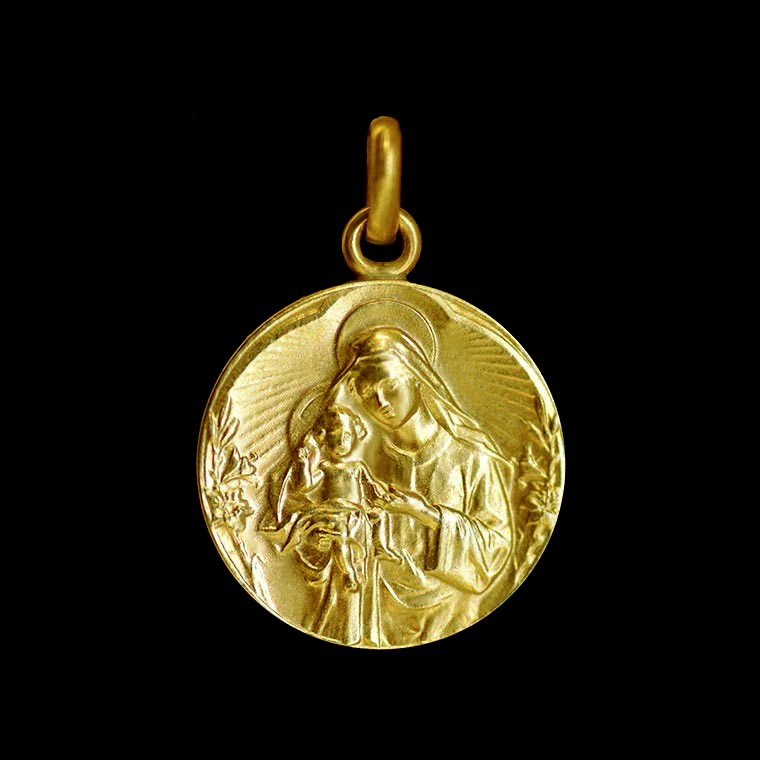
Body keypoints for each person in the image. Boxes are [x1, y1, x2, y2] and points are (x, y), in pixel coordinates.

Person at [276, 327, 513, 647]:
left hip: (452, 617)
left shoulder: (470, 458)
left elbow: (496, 550)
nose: (382, 403)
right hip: (370, 613)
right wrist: (320, 543)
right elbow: (319, 527)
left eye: (390, 386)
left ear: (417, 379)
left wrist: (426, 514)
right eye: (368, 394)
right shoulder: (357, 458)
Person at [280, 405, 400, 592]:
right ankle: (349, 573)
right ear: (324, 438)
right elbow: (304, 487)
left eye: (347, 436)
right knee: (340, 535)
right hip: (334, 510)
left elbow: (371, 485)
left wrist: (382, 495)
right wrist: (303, 464)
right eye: (335, 435)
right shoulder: (325, 467)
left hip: (356, 511)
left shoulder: (357, 466)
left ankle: (381, 546)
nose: (342, 441)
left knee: (380, 516)